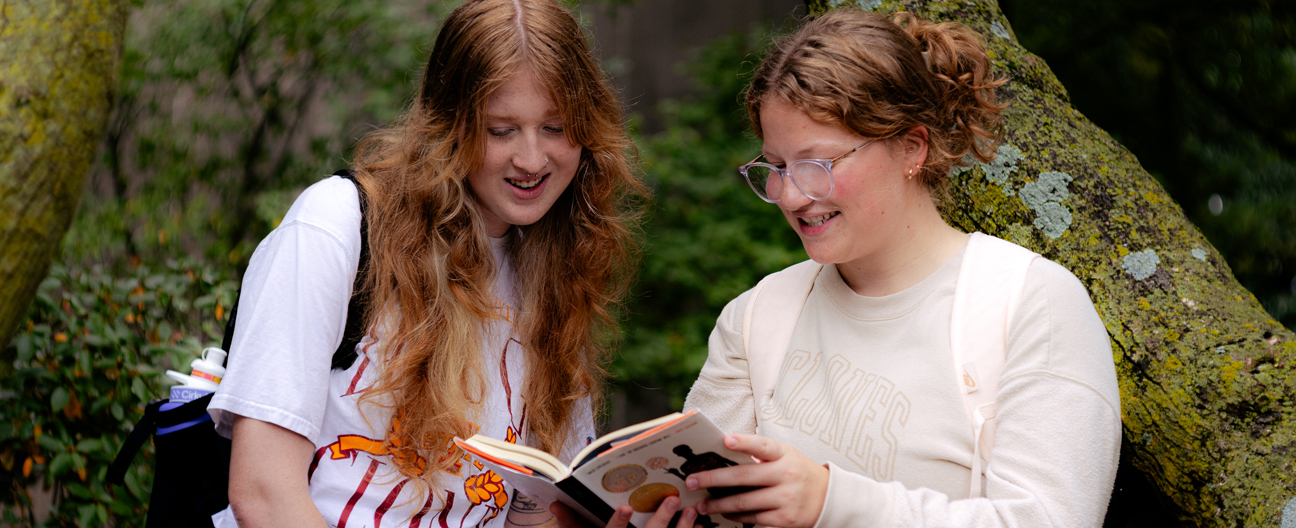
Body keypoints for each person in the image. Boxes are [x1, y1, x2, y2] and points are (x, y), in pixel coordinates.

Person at [205, 1, 685, 526]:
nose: (531, 159)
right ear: (449, 125)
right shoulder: (337, 224)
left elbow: (534, 510)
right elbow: (263, 492)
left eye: (555, 127)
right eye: (501, 130)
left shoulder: (559, 262)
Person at [679, 9, 1121, 528]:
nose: (792, 196)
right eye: (776, 168)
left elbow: (1050, 519)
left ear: (912, 146)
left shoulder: (1031, 303)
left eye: (818, 165)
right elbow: (703, 501)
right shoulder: (755, 318)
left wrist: (832, 501)